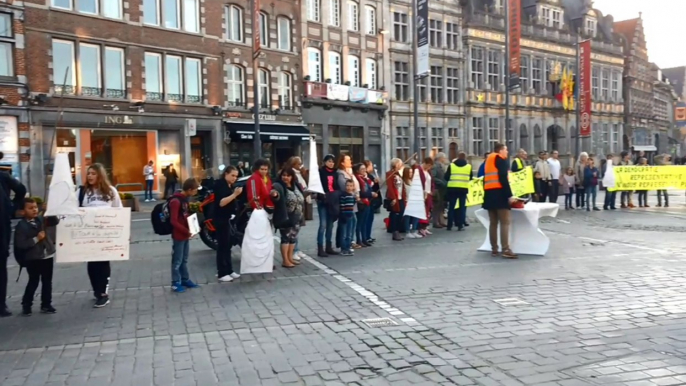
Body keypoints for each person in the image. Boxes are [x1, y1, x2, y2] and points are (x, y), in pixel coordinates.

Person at [79, 163, 123, 307]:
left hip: (106, 234)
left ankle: (103, 293)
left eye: (93, 173)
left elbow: (119, 211)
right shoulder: (82, 192)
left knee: (103, 263)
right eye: (88, 173)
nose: (90, 176)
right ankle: (97, 291)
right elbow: (74, 210)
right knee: (92, 263)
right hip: (89, 234)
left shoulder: (110, 191)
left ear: (100, 175)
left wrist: (124, 233)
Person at [14, 198, 59, 316]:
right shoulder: (21, 226)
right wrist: (36, 239)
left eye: (35, 207)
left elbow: (54, 221)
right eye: (30, 208)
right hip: (33, 258)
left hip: (46, 255)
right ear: (22, 212)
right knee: (33, 280)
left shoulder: (41, 219)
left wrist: (49, 211)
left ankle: (46, 304)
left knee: (47, 281)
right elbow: (21, 244)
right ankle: (26, 304)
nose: (34, 210)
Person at [482, 143, 517, 259]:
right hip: (500, 194)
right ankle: (505, 248)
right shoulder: (500, 160)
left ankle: (494, 249)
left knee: (493, 223)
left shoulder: (488, 160)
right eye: (506, 150)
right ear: (500, 151)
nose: (507, 152)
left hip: (489, 194)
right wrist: (509, 195)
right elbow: (503, 178)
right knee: (505, 222)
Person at [0, 169, 26, 317]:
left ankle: (1, 304)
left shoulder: (3, 177)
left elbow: (21, 190)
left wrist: (12, 207)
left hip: (1, 230)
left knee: (1, 269)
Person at [169, 178, 200, 292]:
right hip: (179, 235)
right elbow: (174, 221)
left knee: (184, 259)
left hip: (185, 234)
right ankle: (175, 282)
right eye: (195, 190)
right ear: (190, 189)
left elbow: (185, 215)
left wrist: (193, 227)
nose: (196, 192)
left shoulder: (184, 200)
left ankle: (185, 279)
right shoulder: (176, 201)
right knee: (177, 259)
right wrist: (187, 231)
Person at [213, 166, 243, 283]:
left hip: (228, 219)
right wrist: (234, 195)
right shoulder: (220, 185)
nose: (234, 178)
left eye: (236, 176)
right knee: (222, 246)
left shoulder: (229, 185)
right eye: (232, 175)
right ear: (226, 174)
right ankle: (222, 272)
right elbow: (221, 202)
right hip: (221, 219)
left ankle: (229, 269)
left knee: (228, 245)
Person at [270, 168, 304, 268]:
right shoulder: (278, 186)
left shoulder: (296, 185)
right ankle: (285, 260)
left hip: (297, 216)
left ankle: (290, 258)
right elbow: (276, 196)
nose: (286, 178)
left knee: (293, 238)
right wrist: (275, 195)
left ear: (292, 177)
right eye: (284, 175)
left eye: (288, 176)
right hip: (285, 217)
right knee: (285, 238)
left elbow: (301, 196)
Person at [285, 157, 311, 261]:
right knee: (293, 230)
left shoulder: (300, 174)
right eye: (299, 164)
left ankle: (297, 248)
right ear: (293, 164)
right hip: (294, 206)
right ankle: (293, 250)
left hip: (301, 203)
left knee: (297, 228)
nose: (301, 165)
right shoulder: (293, 175)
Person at [445, 152, 472, 231]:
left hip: (452, 188)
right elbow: (470, 177)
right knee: (462, 207)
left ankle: (449, 225)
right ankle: (460, 225)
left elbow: (446, 177)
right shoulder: (468, 166)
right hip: (463, 189)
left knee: (451, 207)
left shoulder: (451, 165)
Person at [336, 154, 359, 249]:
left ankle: (350, 241)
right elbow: (344, 187)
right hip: (347, 203)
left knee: (353, 222)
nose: (350, 161)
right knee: (346, 225)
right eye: (348, 160)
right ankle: (344, 245)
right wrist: (354, 194)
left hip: (353, 201)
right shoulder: (340, 174)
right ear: (342, 162)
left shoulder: (350, 172)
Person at [317, 154, 338, 257]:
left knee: (330, 225)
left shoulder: (335, 173)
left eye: (332, 161)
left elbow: (336, 186)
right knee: (323, 225)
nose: (331, 163)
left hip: (332, 201)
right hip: (323, 200)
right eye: (329, 161)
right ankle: (320, 247)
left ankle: (328, 246)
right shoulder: (320, 172)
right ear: (325, 162)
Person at [353, 163, 373, 247]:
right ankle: (359, 239)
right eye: (362, 169)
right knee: (360, 222)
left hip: (367, 201)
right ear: (357, 171)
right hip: (362, 202)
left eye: (365, 169)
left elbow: (370, 186)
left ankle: (364, 239)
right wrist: (370, 194)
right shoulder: (358, 179)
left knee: (364, 222)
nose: (364, 171)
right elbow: (361, 192)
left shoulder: (364, 178)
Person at [385, 158, 404, 241]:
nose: (401, 165)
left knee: (400, 214)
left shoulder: (398, 174)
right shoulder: (390, 174)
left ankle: (397, 230)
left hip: (400, 197)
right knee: (395, 215)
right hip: (395, 197)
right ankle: (394, 231)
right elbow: (390, 187)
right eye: (399, 164)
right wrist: (393, 197)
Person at [363, 160, 380, 244]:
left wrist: (377, 183)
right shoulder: (366, 177)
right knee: (366, 219)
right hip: (367, 199)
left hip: (372, 200)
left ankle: (368, 236)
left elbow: (376, 188)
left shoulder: (371, 176)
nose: (372, 167)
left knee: (370, 218)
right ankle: (365, 236)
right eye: (371, 166)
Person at [338, 180, 356, 256]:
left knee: (349, 233)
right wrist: (342, 215)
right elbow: (342, 205)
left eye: (351, 186)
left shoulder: (352, 195)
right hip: (344, 215)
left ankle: (348, 247)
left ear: (353, 187)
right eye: (347, 185)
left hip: (350, 215)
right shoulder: (343, 195)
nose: (349, 187)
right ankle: (343, 248)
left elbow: (353, 204)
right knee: (344, 234)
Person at [417, 158, 434, 237]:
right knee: (422, 211)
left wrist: (432, 190)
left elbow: (431, 181)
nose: (429, 167)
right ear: (425, 163)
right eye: (428, 165)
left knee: (427, 211)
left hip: (428, 193)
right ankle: (420, 228)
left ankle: (425, 227)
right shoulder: (419, 170)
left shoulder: (428, 171)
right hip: (422, 193)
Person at [431, 153, 448, 229]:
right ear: (440, 158)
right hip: (437, 188)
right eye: (444, 158)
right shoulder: (435, 166)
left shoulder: (442, 166)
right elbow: (433, 176)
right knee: (436, 206)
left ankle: (441, 220)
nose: (445, 160)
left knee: (441, 206)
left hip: (442, 189)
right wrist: (441, 182)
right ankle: (435, 222)